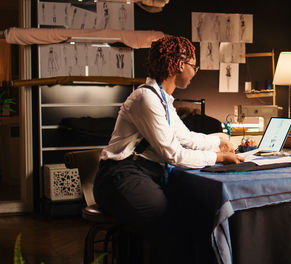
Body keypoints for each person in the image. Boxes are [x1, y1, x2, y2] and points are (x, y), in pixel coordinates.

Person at [93, 35, 243, 261]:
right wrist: (218, 157)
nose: (195, 71)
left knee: (194, 213)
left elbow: (186, 137)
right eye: (194, 66)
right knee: (171, 223)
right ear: (180, 65)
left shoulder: (163, 100)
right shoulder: (146, 98)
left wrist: (219, 141)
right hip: (119, 176)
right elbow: (173, 154)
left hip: (142, 173)